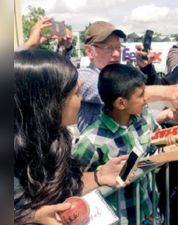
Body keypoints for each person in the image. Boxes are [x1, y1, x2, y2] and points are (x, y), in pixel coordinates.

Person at [14, 50, 133, 225]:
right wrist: (30, 216)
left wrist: (99, 177)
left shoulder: (53, 140)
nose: (81, 98)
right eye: (75, 93)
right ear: (50, 104)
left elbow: (63, 188)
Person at [73, 64, 178, 225]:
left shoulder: (144, 118)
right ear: (121, 103)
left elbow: (155, 144)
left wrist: (166, 143)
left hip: (150, 210)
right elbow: (72, 183)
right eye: (141, 95)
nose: (146, 98)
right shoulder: (90, 141)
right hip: (122, 219)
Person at [78, 21, 178, 133]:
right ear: (89, 51)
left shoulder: (123, 75)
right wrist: (167, 91)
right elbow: (122, 93)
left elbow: (139, 114)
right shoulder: (83, 77)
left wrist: (168, 114)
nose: (116, 54)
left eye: (118, 47)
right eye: (108, 48)